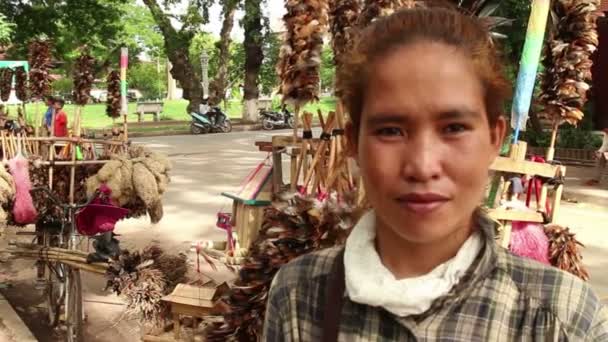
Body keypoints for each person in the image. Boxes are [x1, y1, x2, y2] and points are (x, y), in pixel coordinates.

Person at [264, 7, 608, 341]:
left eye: (454, 127)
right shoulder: (299, 295)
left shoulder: (562, 318)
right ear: (354, 142)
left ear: (493, 139)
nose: (422, 166)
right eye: (390, 130)